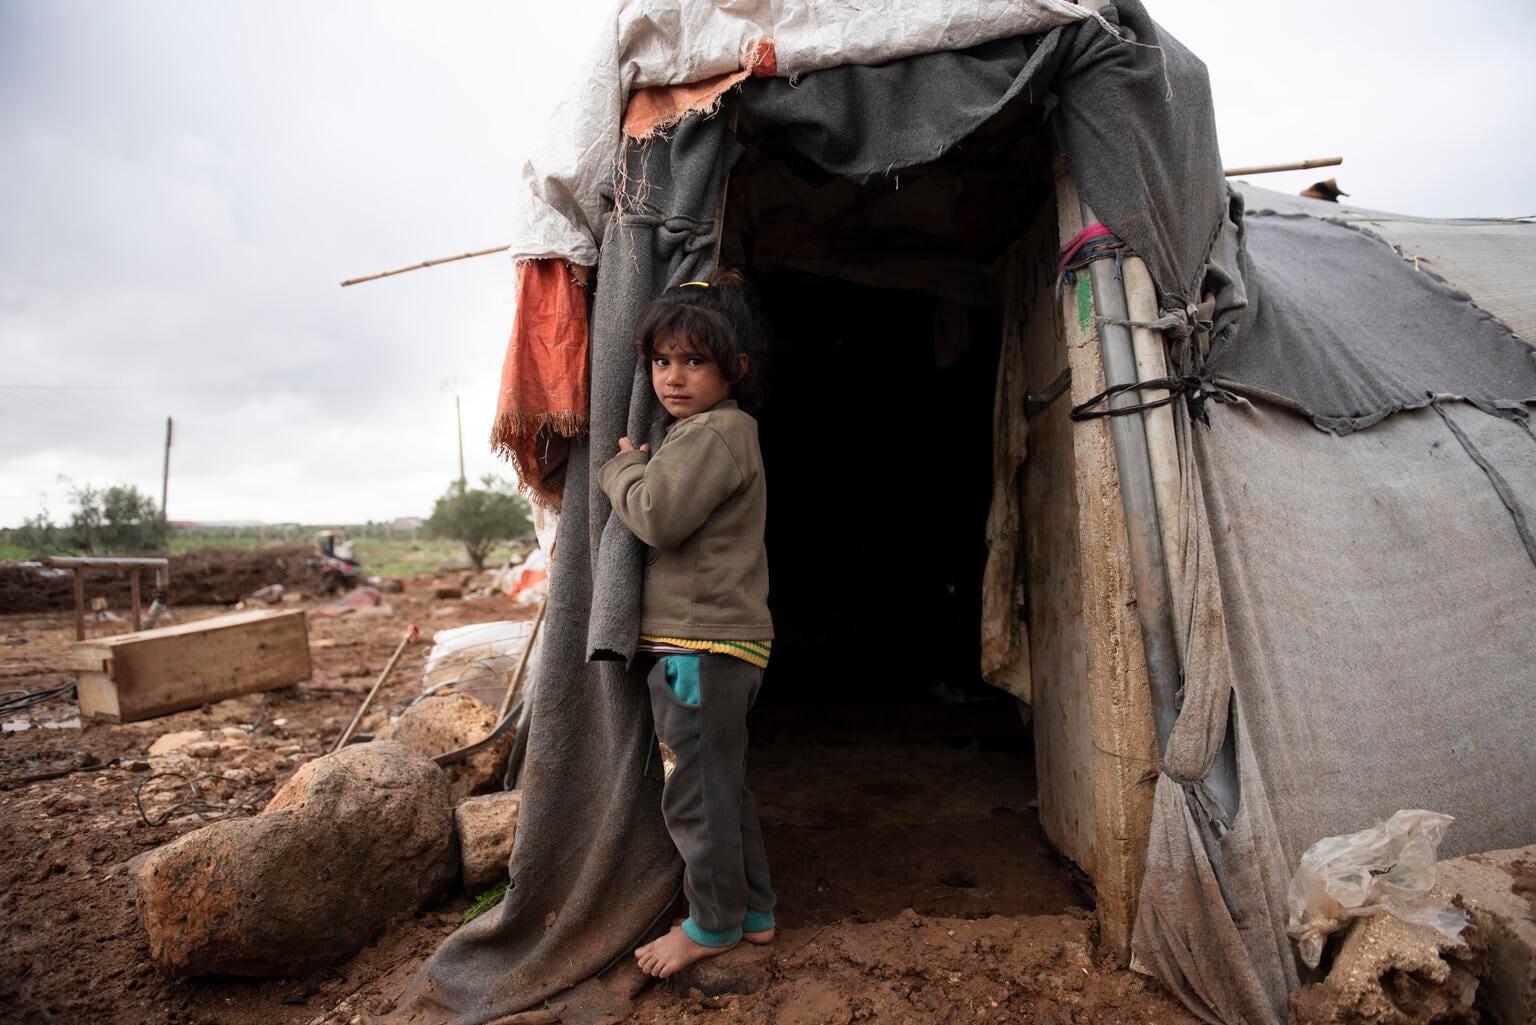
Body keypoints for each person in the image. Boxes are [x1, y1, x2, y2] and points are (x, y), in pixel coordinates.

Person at [598, 269, 776, 978]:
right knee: (723, 786)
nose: (673, 377)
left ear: (734, 369)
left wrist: (621, 471)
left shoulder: (712, 434)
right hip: (722, 646)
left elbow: (659, 517)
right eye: (662, 361)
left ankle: (712, 924)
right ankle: (753, 911)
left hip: (698, 650)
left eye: (694, 361)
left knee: (696, 795)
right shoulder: (714, 432)